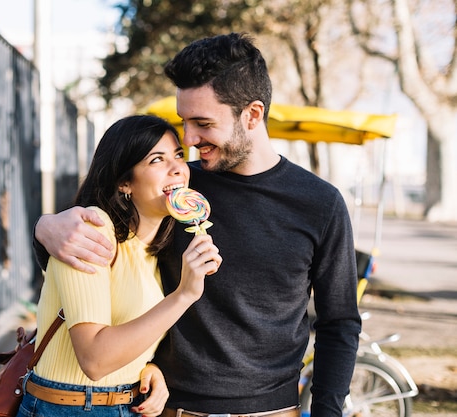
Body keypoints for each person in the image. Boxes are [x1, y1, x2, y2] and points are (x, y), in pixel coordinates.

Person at [33, 33, 361, 417]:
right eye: (184, 122)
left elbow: (339, 323)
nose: (189, 140)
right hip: (169, 409)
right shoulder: (171, 188)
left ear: (252, 115)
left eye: (203, 123)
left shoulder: (319, 203)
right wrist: (45, 228)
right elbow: (98, 247)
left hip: (271, 410)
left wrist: (327, 412)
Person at [18, 115, 222, 417]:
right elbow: (94, 360)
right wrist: (184, 295)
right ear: (125, 182)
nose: (179, 167)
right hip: (67, 408)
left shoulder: (155, 248)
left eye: (178, 155)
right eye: (157, 160)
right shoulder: (92, 232)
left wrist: (147, 367)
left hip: (128, 404)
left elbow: (130, 331)